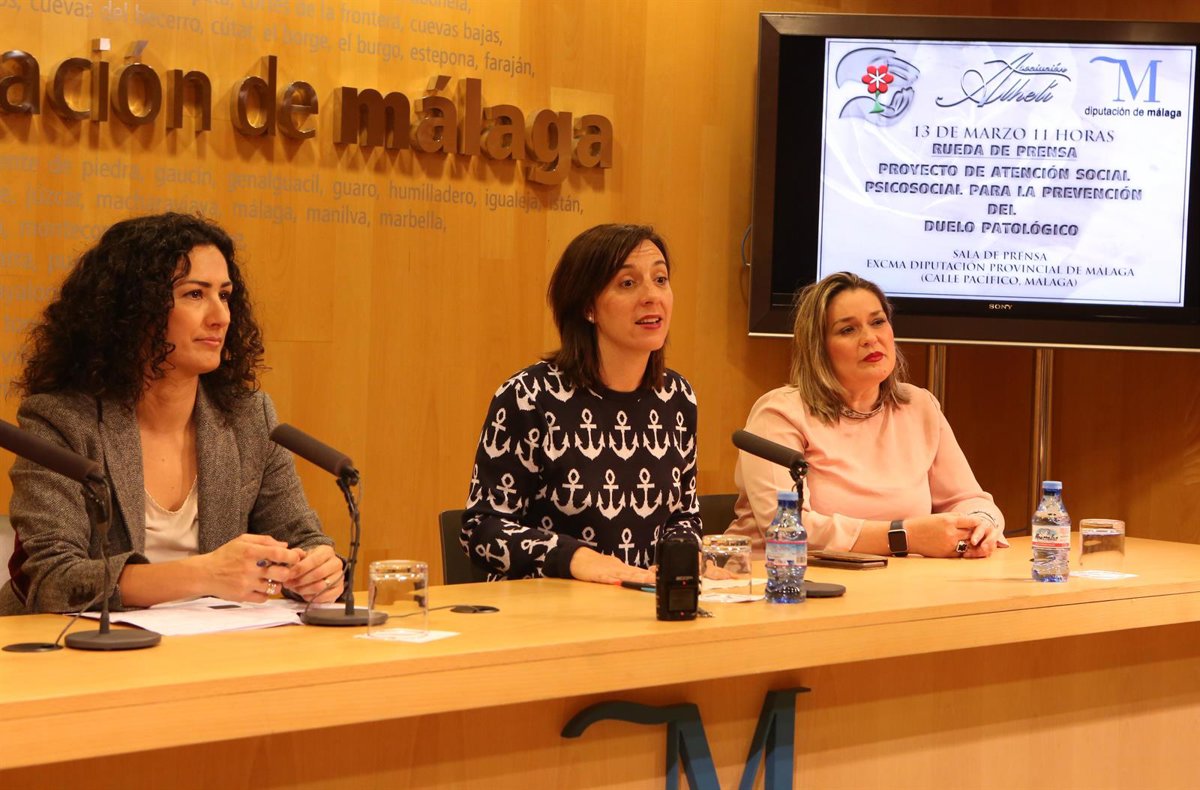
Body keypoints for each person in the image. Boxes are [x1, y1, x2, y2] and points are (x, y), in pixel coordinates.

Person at [0, 213, 345, 615]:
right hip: (76, 644)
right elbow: (53, 580)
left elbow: (301, 538)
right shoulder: (62, 421)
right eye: (195, 294)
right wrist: (204, 574)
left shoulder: (249, 419)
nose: (221, 316)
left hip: (209, 643)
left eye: (225, 295)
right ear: (133, 310)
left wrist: (318, 570)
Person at [462, 224, 699, 584]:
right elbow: (481, 529)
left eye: (661, 279)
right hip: (548, 606)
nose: (652, 296)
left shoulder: (677, 396)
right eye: (628, 283)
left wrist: (683, 556)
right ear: (588, 307)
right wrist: (571, 557)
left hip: (643, 602)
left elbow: (684, 515)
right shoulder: (529, 397)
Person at [728, 271, 1005, 558]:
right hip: (779, 577)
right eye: (848, 330)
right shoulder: (780, 414)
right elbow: (787, 531)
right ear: (818, 348)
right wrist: (904, 536)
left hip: (894, 579)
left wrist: (981, 524)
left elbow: (969, 499)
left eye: (877, 322)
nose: (870, 338)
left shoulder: (919, 406)